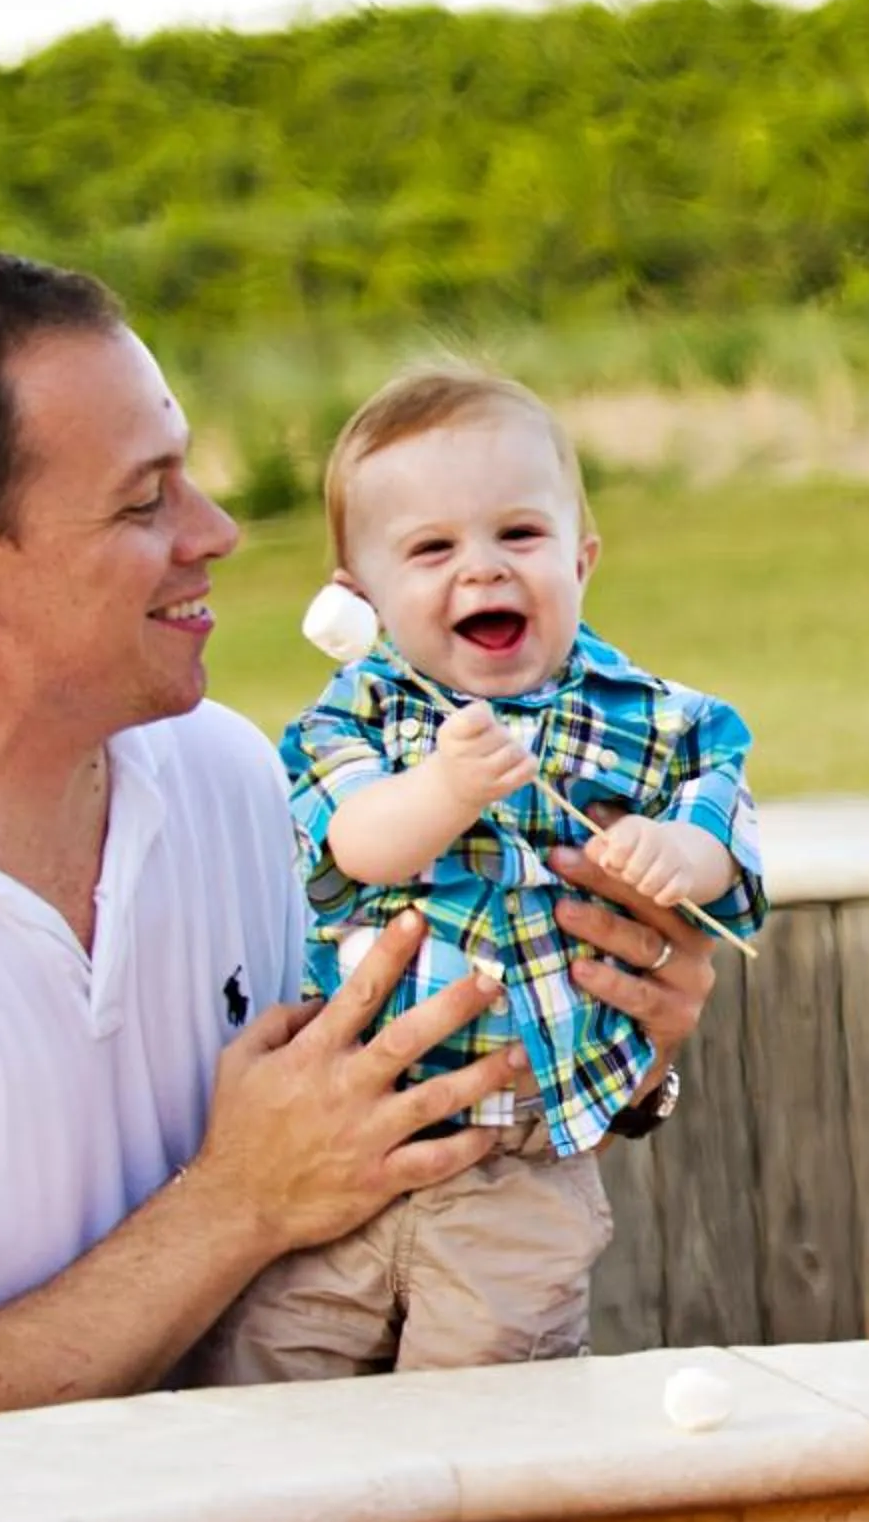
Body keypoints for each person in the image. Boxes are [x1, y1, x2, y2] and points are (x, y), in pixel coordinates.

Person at [0, 249, 714, 1460]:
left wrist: (627, 1056)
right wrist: (239, 1204)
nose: (216, 531)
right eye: (144, 499)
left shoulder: (226, 776)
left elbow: (359, 1120)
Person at [200, 364, 766, 1379]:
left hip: (521, 1170)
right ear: (358, 599)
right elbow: (357, 840)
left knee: (493, 1409)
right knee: (280, 1382)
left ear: (582, 560)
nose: (484, 571)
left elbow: (723, 816)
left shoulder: (648, 715)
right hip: (343, 1164)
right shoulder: (354, 718)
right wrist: (447, 788)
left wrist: (681, 853)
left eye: (520, 535)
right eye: (431, 549)